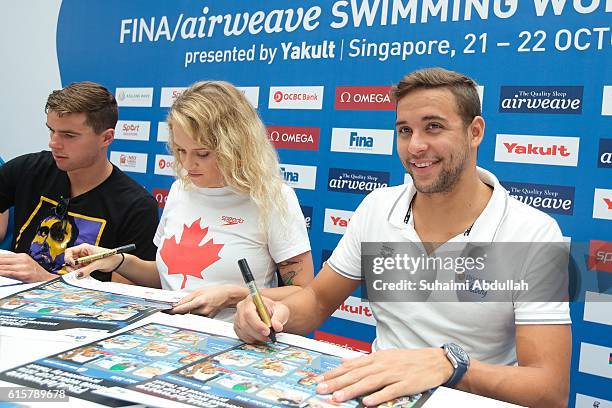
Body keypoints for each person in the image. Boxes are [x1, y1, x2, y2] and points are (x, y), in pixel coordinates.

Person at [234, 68, 571, 407]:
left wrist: (450, 366)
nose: (416, 146)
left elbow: (549, 389)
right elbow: (318, 302)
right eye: (404, 130)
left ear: (475, 132)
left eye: (433, 127)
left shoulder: (533, 233)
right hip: (372, 398)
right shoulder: (377, 207)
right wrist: (272, 313)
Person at [65, 81, 314, 321]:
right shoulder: (180, 190)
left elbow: (303, 293)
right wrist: (117, 260)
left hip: (237, 341)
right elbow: (166, 276)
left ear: (236, 146)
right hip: (170, 334)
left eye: (202, 153)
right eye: (180, 150)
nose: (187, 164)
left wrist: (233, 296)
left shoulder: (272, 198)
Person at [0, 81, 158, 282]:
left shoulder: (135, 206)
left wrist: (45, 279)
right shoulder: (28, 169)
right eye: (52, 130)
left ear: (106, 138)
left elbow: (123, 298)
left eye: (69, 135)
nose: (53, 143)